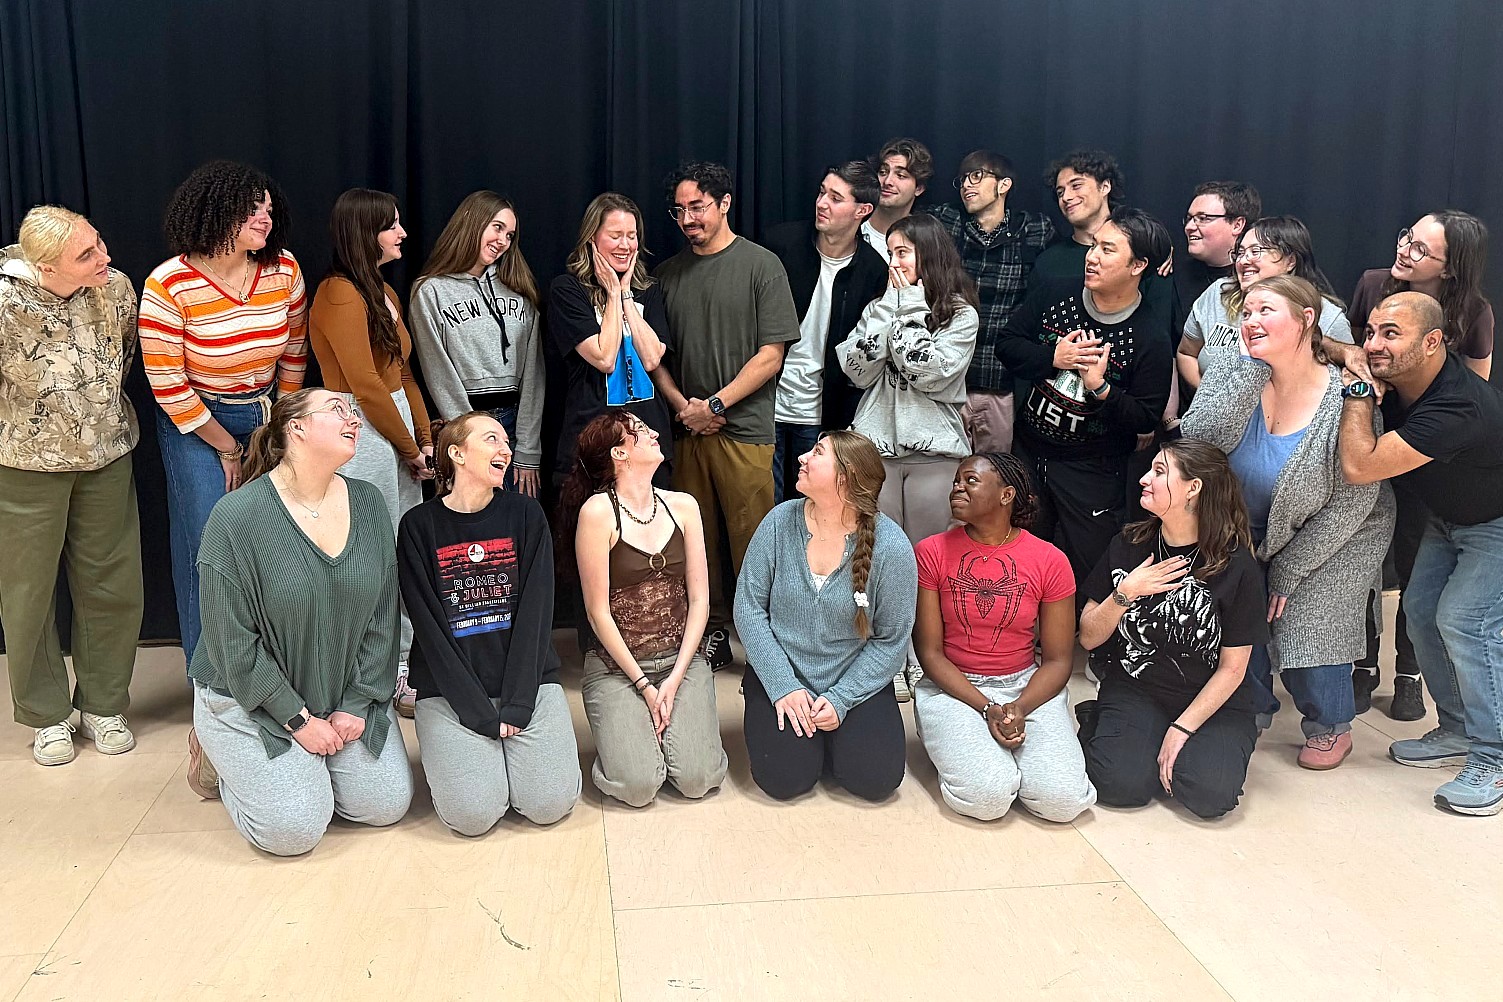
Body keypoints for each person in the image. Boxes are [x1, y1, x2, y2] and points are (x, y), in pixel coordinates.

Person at [184, 388, 412, 856]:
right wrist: (297, 719)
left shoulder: (368, 502)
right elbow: (231, 642)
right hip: (251, 696)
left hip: (338, 691)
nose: (353, 419)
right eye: (337, 409)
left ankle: (305, 770)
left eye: (353, 411)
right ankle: (218, 757)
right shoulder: (236, 516)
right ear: (297, 428)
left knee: (385, 804)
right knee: (294, 831)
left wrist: (356, 703)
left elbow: (382, 616)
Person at [1182, 275, 1393, 770]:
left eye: (1265, 311)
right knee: (1241, 612)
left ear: (1306, 320)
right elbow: (1199, 440)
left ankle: (1330, 724)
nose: (1251, 321)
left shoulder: (1347, 396)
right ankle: (1250, 707)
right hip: (1244, 525)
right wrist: (1248, 372)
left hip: (1337, 530)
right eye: (1246, 313)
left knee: (1305, 622)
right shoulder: (1236, 368)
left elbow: (1353, 501)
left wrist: (1289, 569)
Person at [1326, 292, 1503, 815]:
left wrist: (1358, 388)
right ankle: (1457, 730)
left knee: (1466, 622)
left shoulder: (1456, 406)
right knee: (1421, 614)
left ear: (1432, 343)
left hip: (1496, 521)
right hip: (1448, 519)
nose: (1374, 345)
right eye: (1371, 332)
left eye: (1390, 334)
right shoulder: (1403, 375)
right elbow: (1321, 341)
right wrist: (1350, 352)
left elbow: (1360, 466)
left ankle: (1494, 757)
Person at [140, 160, 308, 661]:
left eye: (269, 209)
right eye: (252, 209)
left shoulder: (284, 269)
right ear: (216, 212)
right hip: (196, 423)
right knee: (208, 547)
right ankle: (208, 682)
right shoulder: (169, 284)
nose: (265, 219)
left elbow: (294, 352)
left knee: (271, 543)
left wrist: (279, 426)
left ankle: (265, 666)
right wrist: (229, 448)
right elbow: (168, 384)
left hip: (266, 415)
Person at [1, 206, 143, 766]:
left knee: (113, 583)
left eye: (98, 242)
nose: (103, 257)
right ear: (45, 267)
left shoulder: (117, 288)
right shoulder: (5, 302)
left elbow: (122, 359)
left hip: (106, 454)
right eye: (86, 255)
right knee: (28, 593)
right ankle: (46, 715)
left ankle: (103, 704)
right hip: (25, 465)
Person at [397, 411, 580, 835]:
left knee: (549, 804)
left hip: (527, 683)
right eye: (492, 439)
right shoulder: (418, 526)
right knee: (473, 817)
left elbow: (537, 613)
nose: (506, 449)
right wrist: (477, 713)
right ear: (457, 454)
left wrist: (517, 702)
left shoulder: (526, 514)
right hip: (451, 692)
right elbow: (429, 629)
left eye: (506, 442)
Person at [651, 162, 801, 670]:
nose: (687, 219)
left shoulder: (762, 265)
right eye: (679, 210)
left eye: (697, 207)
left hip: (747, 432)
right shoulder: (666, 275)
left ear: (725, 203)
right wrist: (684, 408)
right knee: (696, 544)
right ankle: (711, 631)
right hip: (686, 432)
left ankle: (767, 644)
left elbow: (771, 355)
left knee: (755, 544)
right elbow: (655, 358)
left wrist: (714, 405)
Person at [1349, 211, 1492, 721]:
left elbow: (1470, 392)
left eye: (1420, 249)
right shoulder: (1374, 285)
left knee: (1435, 591)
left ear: (1449, 269)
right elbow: (1348, 350)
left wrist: (1412, 433)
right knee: (1376, 573)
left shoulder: (1473, 315)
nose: (1404, 250)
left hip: (1438, 466)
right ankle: (1365, 665)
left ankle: (1411, 677)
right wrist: (1362, 374)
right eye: (1406, 237)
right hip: (1380, 441)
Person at [1077, 440, 1268, 818]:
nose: (1144, 479)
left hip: (1213, 699)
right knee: (1118, 785)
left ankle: (1163, 742)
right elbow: (1088, 636)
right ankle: (1107, 724)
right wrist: (1125, 593)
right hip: (1137, 687)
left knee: (1208, 795)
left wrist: (1181, 729)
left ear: (1193, 488)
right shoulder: (1129, 543)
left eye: (1160, 472)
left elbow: (1233, 669)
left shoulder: (1236, 565)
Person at [734, 430, 918, 801]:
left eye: (817, 452)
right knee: (785, 780)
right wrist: (783, 685)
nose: (802, 457)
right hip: (784, 672)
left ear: (845, 478)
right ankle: (811, 740)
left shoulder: (892, 547)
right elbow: (748, 609)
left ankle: (831, 739)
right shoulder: (778, 522)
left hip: (853, 678)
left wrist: (842, 699)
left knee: (876, 781)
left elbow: (891, 639)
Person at [838, 212, 979, 698]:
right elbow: (855, 369)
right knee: (878, 559)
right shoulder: (881, 306)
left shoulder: (960, 314)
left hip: (932, 453)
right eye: (890, 253)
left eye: (903, 252)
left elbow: (929, 371)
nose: (894, 263)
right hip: (875, 451)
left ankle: (924, 655)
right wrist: (888, 313)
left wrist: (909, 311)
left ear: (928, 255)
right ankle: (888, 655)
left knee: (927, 563)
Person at [995, 207, 1174, 585]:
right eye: (1094, 245)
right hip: (1027, 453)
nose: (1092, 257)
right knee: (1015, 563)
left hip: (1092, 471)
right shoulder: (1056, 293)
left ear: (1138, 265)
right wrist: (1052, 358)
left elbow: (1145, 417)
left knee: (1087, 569)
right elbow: (1007, 344)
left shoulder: (1150, 336)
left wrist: (1100, 388)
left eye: (1107, 250)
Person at [912, 453, 1095, 822]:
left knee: (1063, 802)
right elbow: (929, 654)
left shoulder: (1050, 560)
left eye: (970, 480)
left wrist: (1020, 708)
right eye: (955, 481)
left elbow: (1059, 660)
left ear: (1006, 494)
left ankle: (1004, 757)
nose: (957, 488)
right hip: (954, 687)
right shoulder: (930, 552)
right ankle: (972, 750)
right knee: (987, 799)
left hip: (1026, 686)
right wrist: (986, 708)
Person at [558, 411, 728, 807]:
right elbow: (597, 612)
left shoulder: (683, 506)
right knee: (637, 786)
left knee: (698, 779)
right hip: (617, 667)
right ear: (619, 453)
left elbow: (700, 600)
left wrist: (675, 678)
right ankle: (631, 737)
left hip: (681, 659)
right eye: (640, 431)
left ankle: (663, 734)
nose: (654, 432)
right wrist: (644, 686)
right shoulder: (597, 512)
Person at [309, 189, 434, 716]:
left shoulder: (382, 289)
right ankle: (369, 670)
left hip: (396, 425)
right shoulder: (339, 293)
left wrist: (425, 439)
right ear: (365, 232)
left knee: (403, 550)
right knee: (369, 555)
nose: (402, 233)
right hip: (358, 430)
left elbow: (404, 375)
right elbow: (363, 383)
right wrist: (408, 447)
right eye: (391, 225)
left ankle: (404, 662)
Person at [763, 161, 888, 501]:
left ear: (862, 210)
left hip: (822, 412)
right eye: (822, 192)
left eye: (835, 198)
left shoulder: (873, 270)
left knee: (814, 505)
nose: (821, 203)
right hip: (766, 402)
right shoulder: (781, 244)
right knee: (764, 506)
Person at [408, 190, 545, 496]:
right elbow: (437, 372)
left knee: (518, 519)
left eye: (510, 235)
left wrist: (528, 449)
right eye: (497, 227)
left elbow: (534, 376)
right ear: (472, 222)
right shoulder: (430, 292)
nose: (503, 241)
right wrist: (468, 435)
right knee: (471, 519)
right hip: (463, 427)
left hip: (514, 426)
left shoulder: (519, 290)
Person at [924, 150, 1054, 454]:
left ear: (1004, 184)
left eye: (977, 176)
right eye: (963, 179)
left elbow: (1083, 244)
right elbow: (901, 225)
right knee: (941, 470)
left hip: (999, 381)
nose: (966, 185)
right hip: (947, 381)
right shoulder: (946, 221)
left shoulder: (1033, 230)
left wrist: (1156, 252)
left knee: (995, 471)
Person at [548, 192, 675, 488]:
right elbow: (604, 358)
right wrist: (613, 293)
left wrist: (626, 292)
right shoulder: (568, 290)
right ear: (592, 238)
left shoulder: (648, 290)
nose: (625, 245)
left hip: (648, 440)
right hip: (593, 442)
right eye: (615, 236)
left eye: (631, 236)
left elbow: (652, 358)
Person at [1177, 216, 1352, 389]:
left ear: (1290, 261)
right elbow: (1186, 353)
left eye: (1255, 251)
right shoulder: (1219, 293)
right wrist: (1209, 399)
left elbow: (1347, 384)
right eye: (1240, 253)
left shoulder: (1329, 318)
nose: (1243, 261)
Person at [1173, 180, 1261, 326]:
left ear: (1237, 225)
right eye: (1189, 219)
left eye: (1203, 218)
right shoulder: (1174, 274)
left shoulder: (1262, 277)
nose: (1189, 227)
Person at [862, 137, 933, 263]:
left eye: (900, 175)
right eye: (883, 172)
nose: (887, 181)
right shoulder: (852, 226)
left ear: (919, 188)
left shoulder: (924, 241)